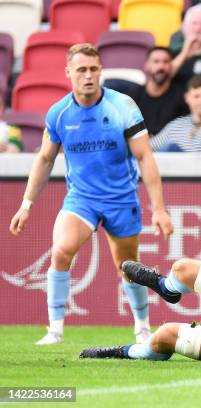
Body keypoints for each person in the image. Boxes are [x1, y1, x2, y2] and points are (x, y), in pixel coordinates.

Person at [8, 44, 174, 345]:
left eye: (94, 69)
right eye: (81, 69)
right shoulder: (59, 113)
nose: (88, 76)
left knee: (127, 268)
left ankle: (142, 328)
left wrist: (159, 209)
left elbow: (145, 158)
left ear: (101, 72)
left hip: (121, 199)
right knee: (60, 251)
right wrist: (26, 205)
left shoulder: (122, 106)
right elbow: (45, 159)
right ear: (68, 73)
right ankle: (55, 330)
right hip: (81, 199)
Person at [150, 75, 201, 152]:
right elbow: (149, 147)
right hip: (175, 163)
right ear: (187, 98)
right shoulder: (176, 125)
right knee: (169, 148)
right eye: (196, 96)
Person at [125, 47, 189, 136]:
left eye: (165, 62)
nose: (161, 67)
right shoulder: (134, 95)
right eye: (156, 61)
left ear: (171, 66)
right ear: (146, 65)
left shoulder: (181, 96)